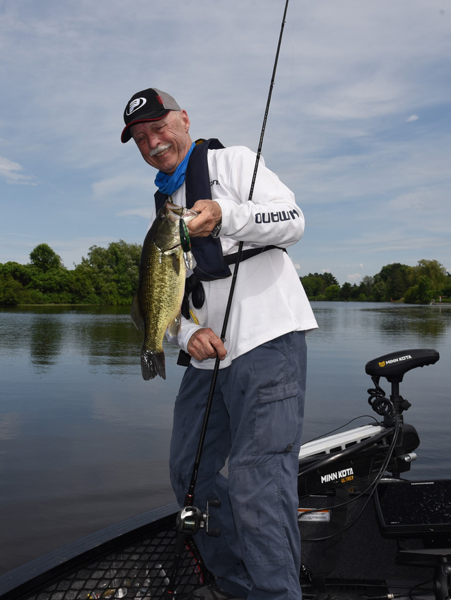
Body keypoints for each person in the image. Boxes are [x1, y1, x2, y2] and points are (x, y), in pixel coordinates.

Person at [121, 88, 318, 600]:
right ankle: (236, 584)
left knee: (259, 480)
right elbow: (168, 298)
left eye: (160, 127)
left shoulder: (233, 163)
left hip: (268, 340)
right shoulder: (164, 208)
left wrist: (226, 215)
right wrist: (188, 333)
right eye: (142, 138)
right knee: (190, 477)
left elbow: (293, 220)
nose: (153, 141)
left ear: (184, 120)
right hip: (208, 360)